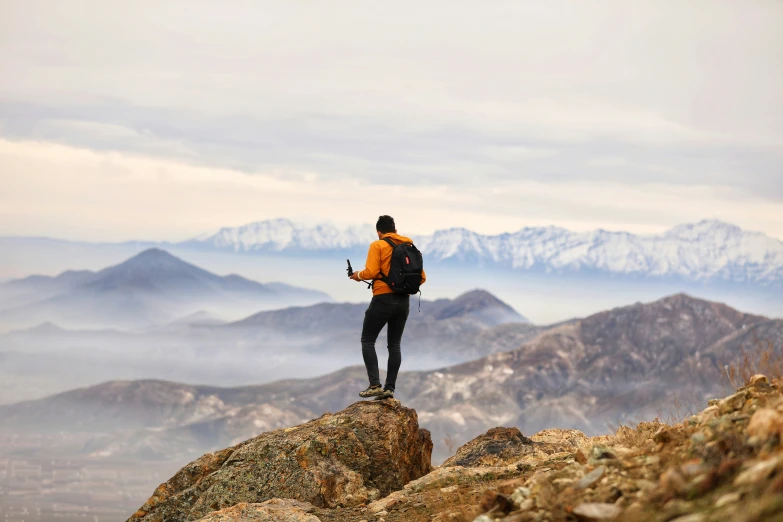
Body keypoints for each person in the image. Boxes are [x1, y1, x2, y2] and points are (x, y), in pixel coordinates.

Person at [348, 215, 426, 400]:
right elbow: (421, 277)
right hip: (404, 302)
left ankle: (375, 385)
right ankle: (389, 389)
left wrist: (358, 275)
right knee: (394, 345)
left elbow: (372, 272)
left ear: (379, 232)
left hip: (383, 299)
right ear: (395, 231)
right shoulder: (409, 247)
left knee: (368, 340)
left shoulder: (378, 245)